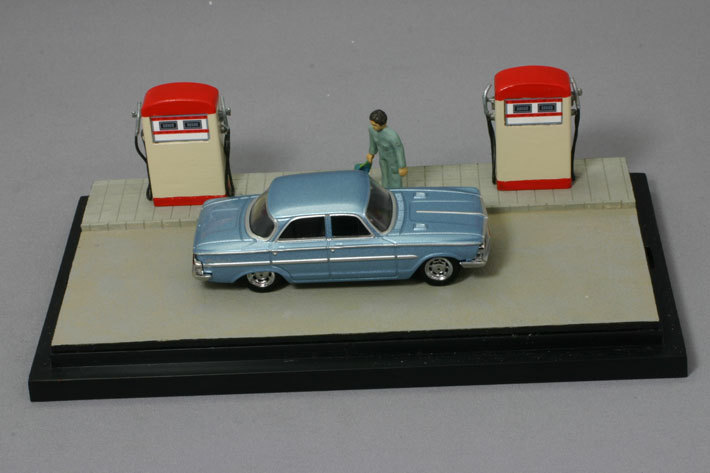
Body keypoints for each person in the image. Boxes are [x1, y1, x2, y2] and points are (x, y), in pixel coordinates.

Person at [366, 110, 407, 188]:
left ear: (383, 124)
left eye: (375, 125)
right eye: (372, 124)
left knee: (395, 176)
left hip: (393, 160)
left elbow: (399, 149)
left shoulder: (392, 136)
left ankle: (396, 191)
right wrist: (371, 153)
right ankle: (385, 190)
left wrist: (402, 166)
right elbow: (373, 142)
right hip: (383, 158)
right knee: (384, 175)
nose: (373, 127)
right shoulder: (371, 130)